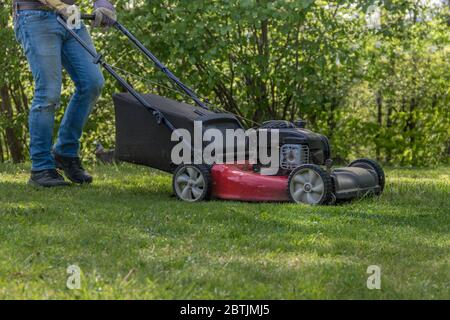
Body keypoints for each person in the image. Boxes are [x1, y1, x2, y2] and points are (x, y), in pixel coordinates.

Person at [13, 0, 116, 187]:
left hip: (72, 18)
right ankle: (41, 168)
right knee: (48, 92)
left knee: (92, 82)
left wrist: (104, 4)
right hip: (35, 16)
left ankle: (65, 152)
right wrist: (59, 5)